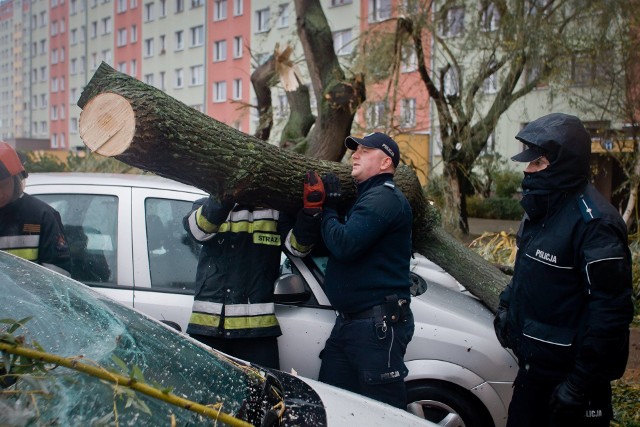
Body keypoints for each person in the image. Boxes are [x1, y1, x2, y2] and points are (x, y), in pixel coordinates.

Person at [493, 113, 633, 427]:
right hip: (533, 373)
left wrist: (578, 386)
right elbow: (527, 272)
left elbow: (611, 313)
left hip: (573, 385)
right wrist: (506, 306)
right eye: (528, 163)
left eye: (537, 163)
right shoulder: (541, 211)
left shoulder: (596, 224)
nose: (527, 171)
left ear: (563, 163)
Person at [313, 132, 414, 409]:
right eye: (355, 150)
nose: (354, 155)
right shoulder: (366, 198)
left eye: (365, 151)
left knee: (383, 414)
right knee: (335, 405)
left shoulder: (384, 199)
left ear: (385, 163)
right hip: (351, 324)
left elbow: (344, 244)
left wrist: (329, 210)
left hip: (376, 328)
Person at [183, 171, 324, 369]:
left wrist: (311, 214)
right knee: (205, 399)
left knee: (264, 398)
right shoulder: (208, 205)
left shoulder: (274, 212)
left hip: (257, 335)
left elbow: (297, 249)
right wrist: (226, 195)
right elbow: (199, 231)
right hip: (209, 329)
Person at [0, 141, 71, 275]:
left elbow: (59, 277)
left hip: (27, 296)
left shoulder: (41, 216)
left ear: (16, 180)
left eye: (3, 185)